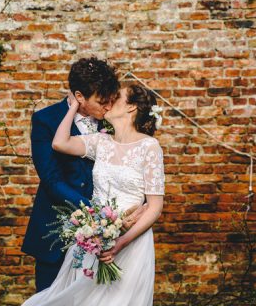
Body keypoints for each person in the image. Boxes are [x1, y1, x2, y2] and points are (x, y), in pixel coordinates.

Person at [21, 83, 165, 306]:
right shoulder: (102, 141)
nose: (108, 101)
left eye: (116, 97)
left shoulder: (149, 147)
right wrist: (74, 106)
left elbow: (155, 207)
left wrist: (121, 243)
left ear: (131, 107)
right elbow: (60, 143)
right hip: (94, 237)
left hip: (131, 240)